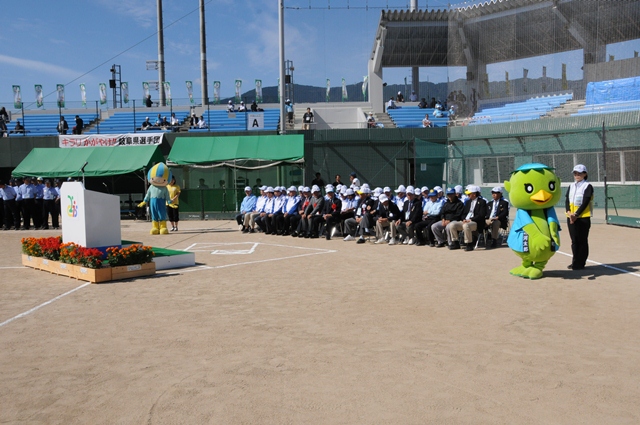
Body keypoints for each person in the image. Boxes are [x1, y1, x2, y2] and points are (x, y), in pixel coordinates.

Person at [566, 164, 594, 270]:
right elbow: (567, 200)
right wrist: (569, 212)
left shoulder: (588, 186)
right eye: (575, 173)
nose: (577, 175)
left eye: (580, 173)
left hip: (583, 218)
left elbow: (586, 201)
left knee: (582, 240)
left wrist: (576, 215)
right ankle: (575, 261)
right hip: (571, 217)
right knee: (574, 240)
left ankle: (581, 262)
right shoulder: (571, 186)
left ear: (585, 174)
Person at [447, 185, 487, 251]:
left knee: (466, 226)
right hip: (466, 220)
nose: (468, 195)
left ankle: (469, 244)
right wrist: (464, 219)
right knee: (452, 225)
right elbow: (464, 213)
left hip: (476, 222)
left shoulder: (482, 202)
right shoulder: (468, 202)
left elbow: (481, 215)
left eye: (469, 194)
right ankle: (456, 243)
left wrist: (471, 219)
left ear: (474, 194)